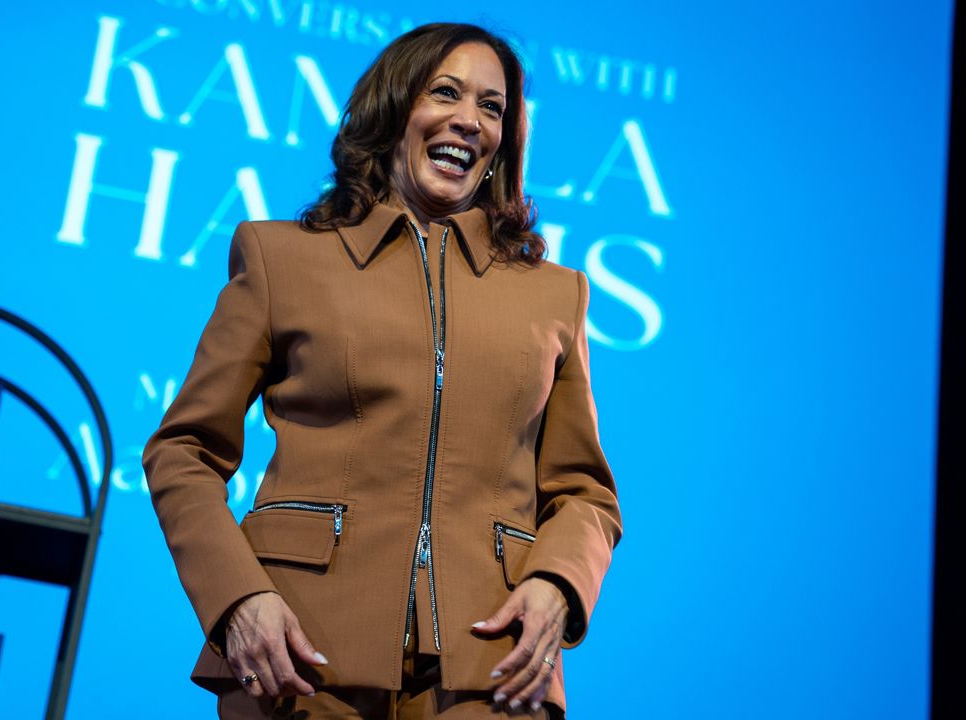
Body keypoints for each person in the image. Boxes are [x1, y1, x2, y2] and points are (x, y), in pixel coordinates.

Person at [143, 22, 622, 719]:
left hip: (494, 666)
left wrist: (558, 583)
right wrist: (238, 599)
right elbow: (183, 451)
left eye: (492, 107)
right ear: (394, 108)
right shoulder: (283, 259)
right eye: (446, 93)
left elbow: (585, 493)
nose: (470, 120)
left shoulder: (555, 295)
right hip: (300, 655)